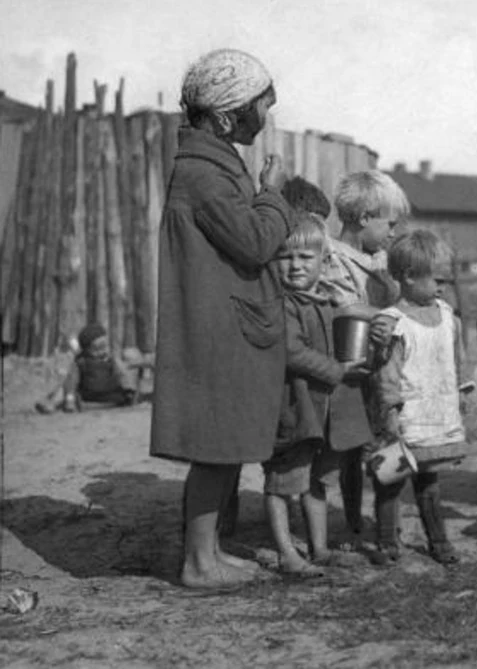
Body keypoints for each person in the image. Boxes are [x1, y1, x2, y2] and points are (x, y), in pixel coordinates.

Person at [149, 48, 292, 589]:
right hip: (218, 331)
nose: (268, 119)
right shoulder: (205, 177)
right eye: (263, 107)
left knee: (224, 445)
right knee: (215, 449)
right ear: (230, 117)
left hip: (226, 323)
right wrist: (272, 196)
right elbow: (255, 243)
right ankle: (199, 563)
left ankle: (207, 555)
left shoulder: (211, 166)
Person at [263, 214, 367, 575]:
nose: (294, 266)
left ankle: (319, 548)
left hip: (322, 414)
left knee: (317, 481)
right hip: (293, 411)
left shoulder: (325, 302)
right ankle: (286, 553)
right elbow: (291, 352)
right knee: (283, 482)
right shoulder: (283, 304)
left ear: (324, 262)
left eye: (305, 258)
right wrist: (338, 370)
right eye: (285, 257)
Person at [366, 230, 475, 565]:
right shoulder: (394, 323)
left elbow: (457, 357)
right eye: (437, 280)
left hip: (435, 415)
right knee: (390, 481)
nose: (443, 288)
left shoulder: (447, 316)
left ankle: (438, 540)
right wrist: (391, 412)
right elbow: (387, 373)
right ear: (410, 277)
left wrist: (463, 389)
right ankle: (387, 542)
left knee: (429, 483)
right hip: (405, 417)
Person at [314, 170, 407, 551]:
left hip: (383, 366)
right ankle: (352, 517)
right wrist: (392, 316)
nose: (393, 232)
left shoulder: (382, 259)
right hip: (352, 365)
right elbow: (344, 304)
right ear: (364, 217)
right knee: (349, 449)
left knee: (390, 441)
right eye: (390, 223)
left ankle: (386, 525)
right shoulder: (332, 257)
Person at [34, 324, 145, 414]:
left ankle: (60, 400)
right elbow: (71, 380)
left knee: (130, 359)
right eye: (97, 349)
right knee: (67, 384)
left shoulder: (112, 360)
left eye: (105, 346)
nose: (102, 351)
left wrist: (128, 385)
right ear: (87, 350)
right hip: (88, 394)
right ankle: (58, 402)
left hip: (112, 395)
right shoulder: (82, 362)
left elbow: (122, 374)